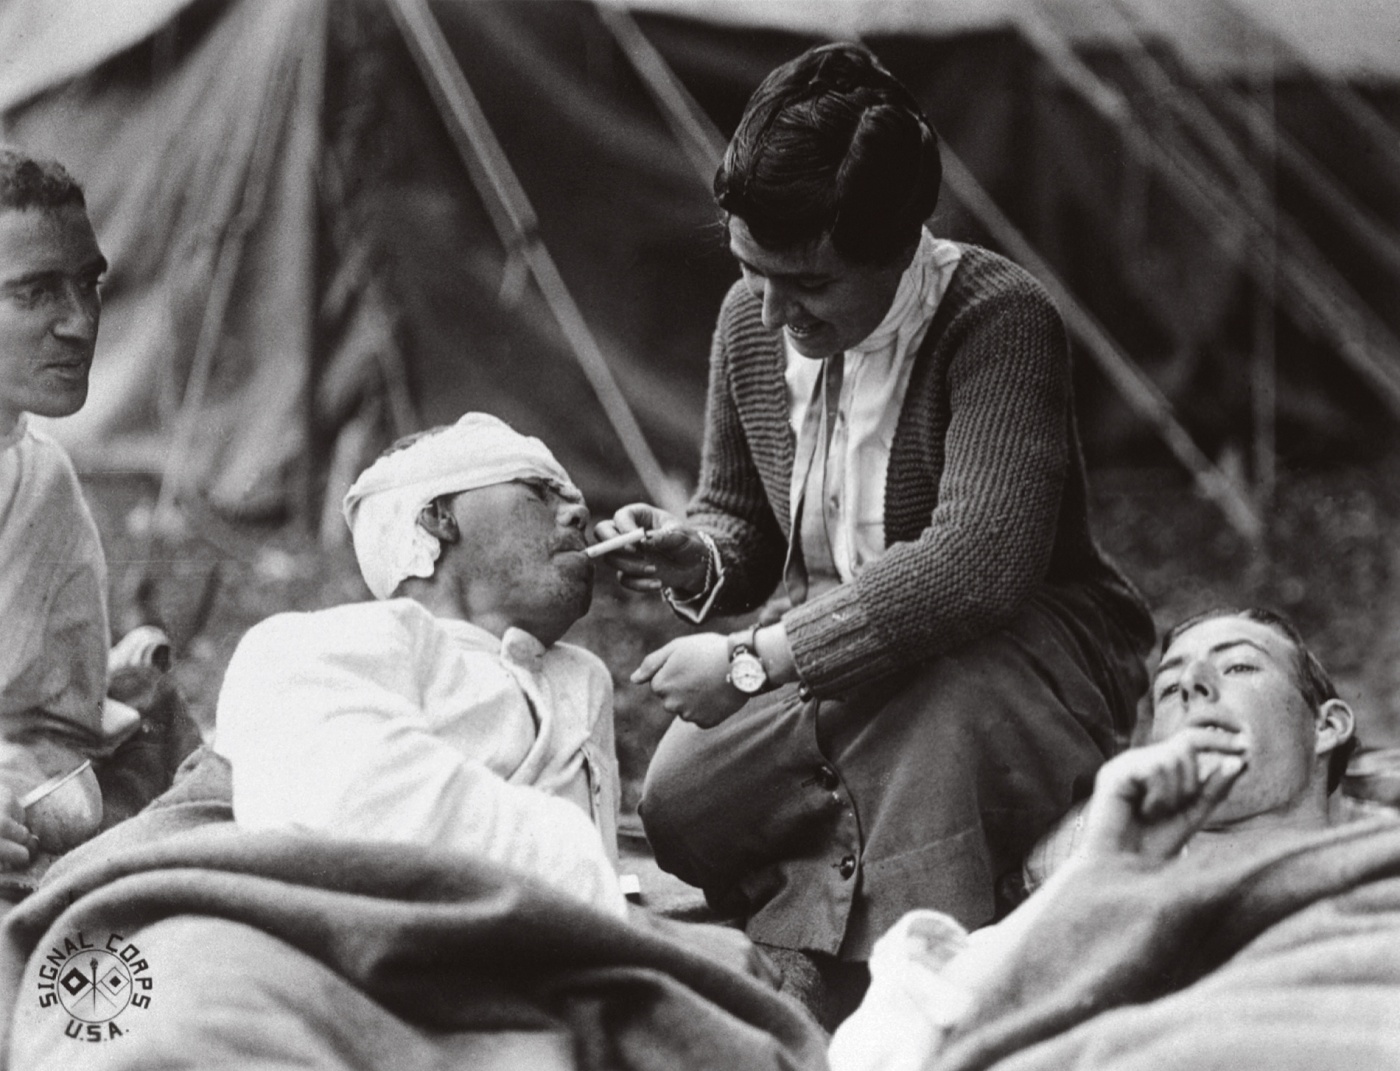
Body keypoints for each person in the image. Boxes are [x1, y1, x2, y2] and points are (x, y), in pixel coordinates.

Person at [595, 42, 1154, 1014]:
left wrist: (750, 664)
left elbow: (977, 562)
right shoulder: (748, 322)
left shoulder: (997, 319)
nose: (773, 310)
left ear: (899, 248)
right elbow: (742, 521)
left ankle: (901, 991)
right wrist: (696, 551)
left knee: (928, 752)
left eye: (807, 284)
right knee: (683, 799)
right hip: (836, 640)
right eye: (749, 270)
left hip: (1017, 643)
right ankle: (854, 936)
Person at [829, 606, 1367, 1071]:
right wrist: (1094, 874)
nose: (1193, 685)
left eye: (1240, 665)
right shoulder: (1077, 912)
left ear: (1327, 726)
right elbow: (878, 1053)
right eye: (1168, 689)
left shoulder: (1376, 876)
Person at [212, 412, 628, 916]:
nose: (580, 510)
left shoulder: (583, 679)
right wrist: (586, 880)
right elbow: (359, 809)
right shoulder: (313, 643)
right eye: (538, 491)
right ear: (439, 517)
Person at [0, 148, 187, 876]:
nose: (80, 323)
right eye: (35, 292)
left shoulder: (40, 478)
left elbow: (57, 718)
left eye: (88, 283)